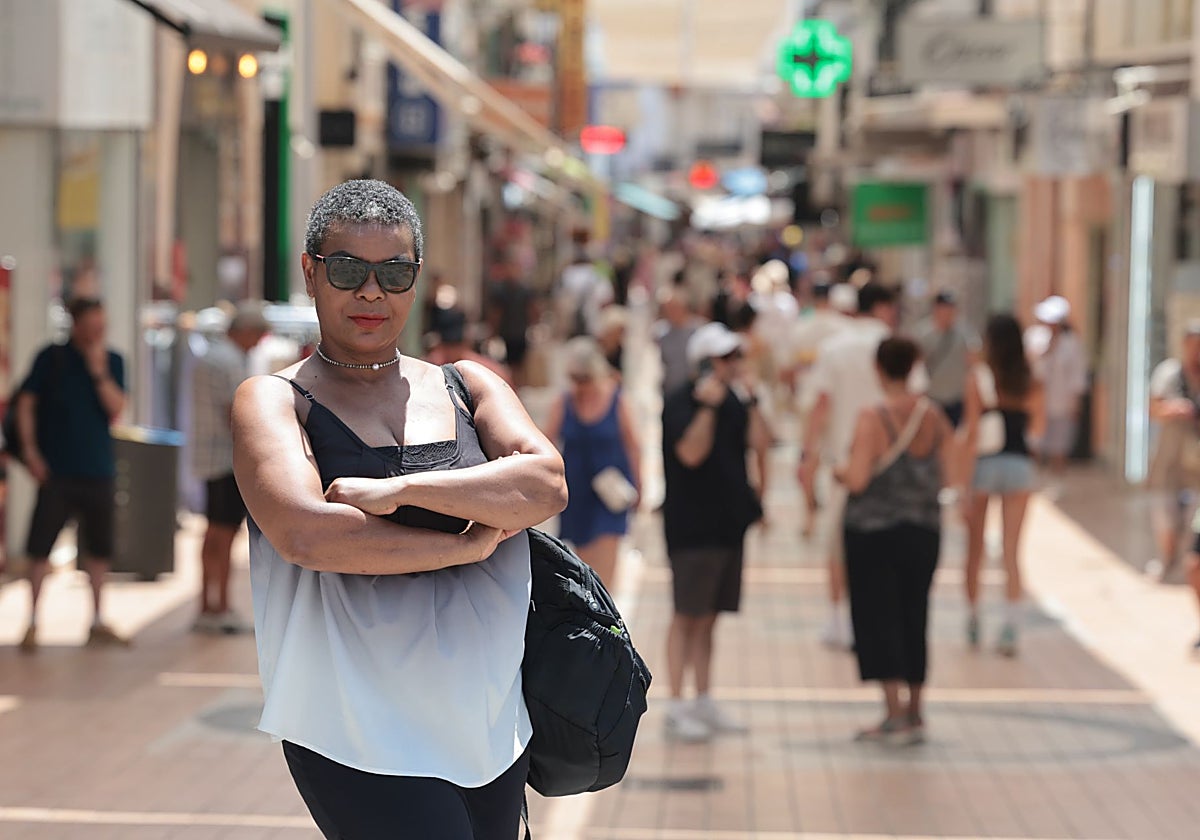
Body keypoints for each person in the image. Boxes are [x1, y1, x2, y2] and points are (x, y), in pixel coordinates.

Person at [232, 179, 567, 839]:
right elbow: (307, 535)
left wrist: (401, 492)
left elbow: (546, 484)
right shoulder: (273, 400)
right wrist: (465, 541)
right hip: (352, 725)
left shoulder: (469, 384)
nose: (370, 293)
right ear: (311, 270)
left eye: (393, 273)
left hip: (488, 725)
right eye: (349, 269)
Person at [837, 337, 954, 744]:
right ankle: (917, 709)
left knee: (878, 617)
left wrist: (838, 471)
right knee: (914, 613)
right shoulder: (933, 415)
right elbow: (950, 472)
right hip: (923, 529)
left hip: (873, 532)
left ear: (879, 369)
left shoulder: (873, 416)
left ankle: (892, 712)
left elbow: (858, 478)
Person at [661, 321, 769, 741]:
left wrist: (754, 398)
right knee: (686, 614)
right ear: (704, 364)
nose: (733, 365)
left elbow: (762, 442)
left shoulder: (737, 403)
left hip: (728, 525)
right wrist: (706, 407)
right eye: (725, 359)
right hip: (692, 527)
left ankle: (703, 698)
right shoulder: (680, 402)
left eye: (734, 357)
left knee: (709, 618)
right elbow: (690, 453)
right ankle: (676, 704)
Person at [15, 297, 127, 652]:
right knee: (40, 548)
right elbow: (26, 404)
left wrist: (98, 371)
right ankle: (31, 621)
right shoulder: (51, 358)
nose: (97, 334)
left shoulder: (112, 361)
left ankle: (96, 619)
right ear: (75, 325)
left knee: (99, 549)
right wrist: (31, 452)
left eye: (101, 327)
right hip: (57, 472)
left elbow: (117, 409)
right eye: (91, 326)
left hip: (98, 469)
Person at [799, 282, 900, 649]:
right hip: (890, 466)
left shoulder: (835, 350)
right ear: (883, 308)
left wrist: (808, 458)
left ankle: (839, 619)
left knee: (839, 544)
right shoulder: (894, 347)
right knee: (883, 544)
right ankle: (874, 616)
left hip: (843, 463)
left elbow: (820, 406)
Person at [961, 313, 1039, 656]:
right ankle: (1010, 627)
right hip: (1020, 466)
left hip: (984, 466)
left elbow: (972, 432)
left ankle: (974, 618)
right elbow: (1038, 429)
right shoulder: (1031, 381)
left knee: (975, 548)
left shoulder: (978, 378)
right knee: (1011, 551)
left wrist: (962, 481)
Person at [190, 302, 270, 634]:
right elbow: (235, 413)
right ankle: (218, 605)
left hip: (210, 456)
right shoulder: (228, 360)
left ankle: (209, 604)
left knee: (214, 534)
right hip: (226, 459)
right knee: (223, 536)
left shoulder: (213, 355)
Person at [541, 337, 640, 588]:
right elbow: (545, 443)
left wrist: (640, 486)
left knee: (604, 574)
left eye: (584, 378)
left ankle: (607, 623)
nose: (580, 385)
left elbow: (633, 444)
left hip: (610, 493)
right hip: (578, 493)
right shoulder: (564, 402)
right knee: (584, 571)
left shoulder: (616, 400)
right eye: (574, 378)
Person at [1146, 322, 1200, 581]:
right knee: (1166, 517)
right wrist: (1175, 409)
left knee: (1193, 523)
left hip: (1197, 467)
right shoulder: (1169, 373)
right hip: (1169, 461)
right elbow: (1153, 408)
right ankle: (1167, 561)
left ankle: (1188, 562)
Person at [1026, 295, 1087, 492]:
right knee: (1034, 441)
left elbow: (1077, 374)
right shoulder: (1034, 337)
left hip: (1062, 402)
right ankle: (1032, 479)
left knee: (1059, 444)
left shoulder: (1072, 343)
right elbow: (1030, 366)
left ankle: (1057, 480)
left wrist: (1075, 403)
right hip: (1037, 401)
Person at [916, 290, 977, 427]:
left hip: (957, 397)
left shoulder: (965, 333)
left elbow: (972, 362)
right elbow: (918, 364)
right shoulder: (923, 333)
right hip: (931, 396)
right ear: (935, 309)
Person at [424, 306, 514, 387]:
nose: (452, 351)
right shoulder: (430, 367)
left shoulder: (489, 371)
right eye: (449, 344)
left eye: (455, 344)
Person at [653, 286, 701, 398]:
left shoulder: (698, 330)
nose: (671, 313)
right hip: (670, 389)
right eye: (668, 309)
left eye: (674, 308)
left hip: (692, 390)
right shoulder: (660, 333)